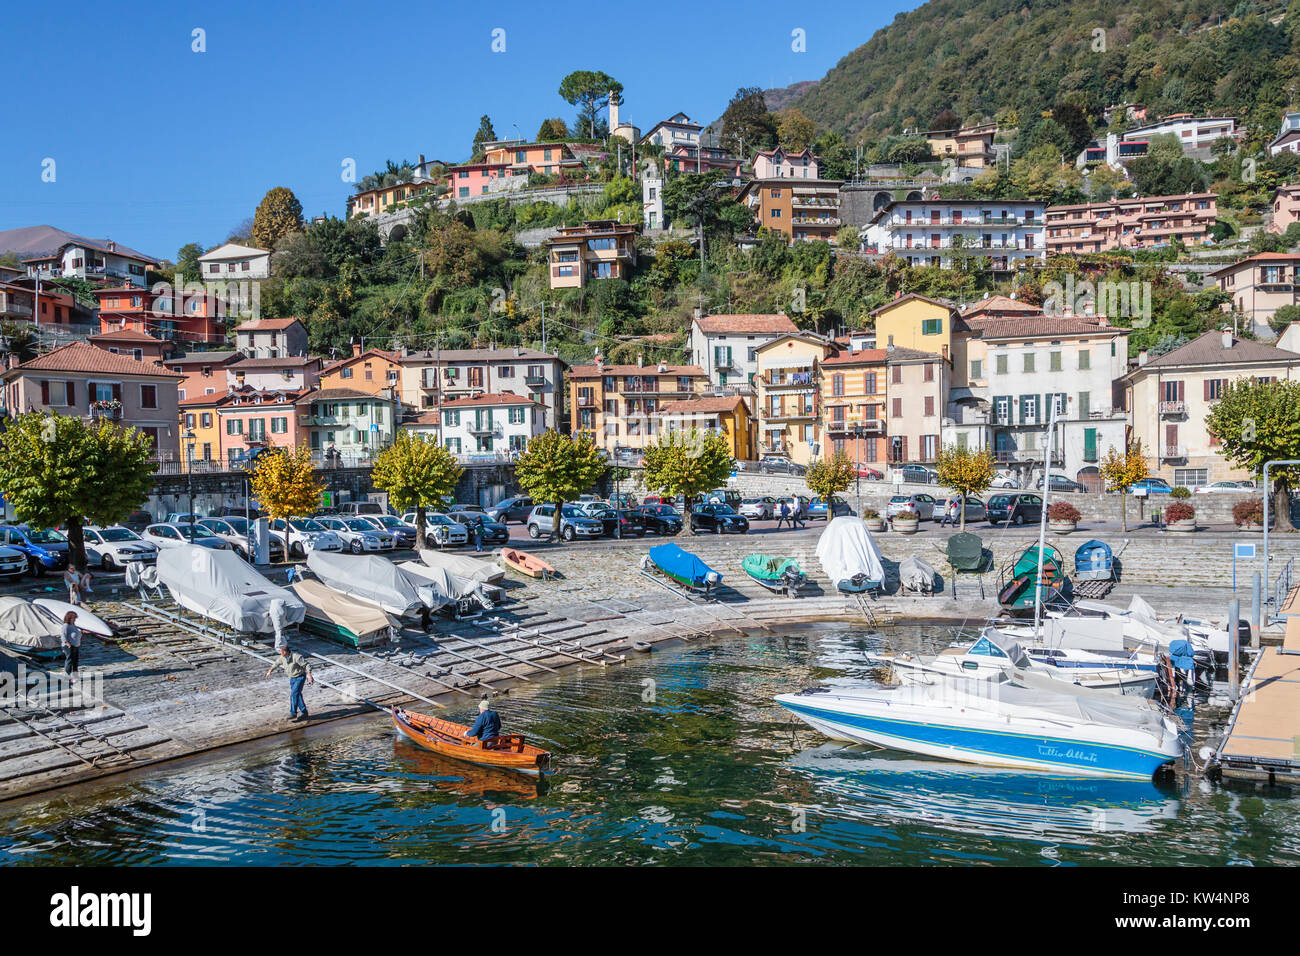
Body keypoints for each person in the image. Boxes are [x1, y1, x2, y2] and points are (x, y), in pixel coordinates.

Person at [265, 644, 314, 720]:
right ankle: (304, 712)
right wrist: (270, 671)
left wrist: (309, 674)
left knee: (294, 694)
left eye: (281, 652)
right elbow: (276, 663)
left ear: (285, 652)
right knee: (297, 695)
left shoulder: (296, 657)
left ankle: (293, 713)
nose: (280, 653)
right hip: (292, 678)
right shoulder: (282, 658)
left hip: (300, 677)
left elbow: (307, 665)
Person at [61, 611, 82, 677]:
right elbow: (63, 635)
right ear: (69, 618)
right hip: (69, 645)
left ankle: (75, 675)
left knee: (75, 661)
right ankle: (67, 675)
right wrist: (67, 643)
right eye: (74, 618)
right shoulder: (66, 625)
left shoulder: (73, 625)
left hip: (76, 645)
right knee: (69, 660)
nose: (75, 619)